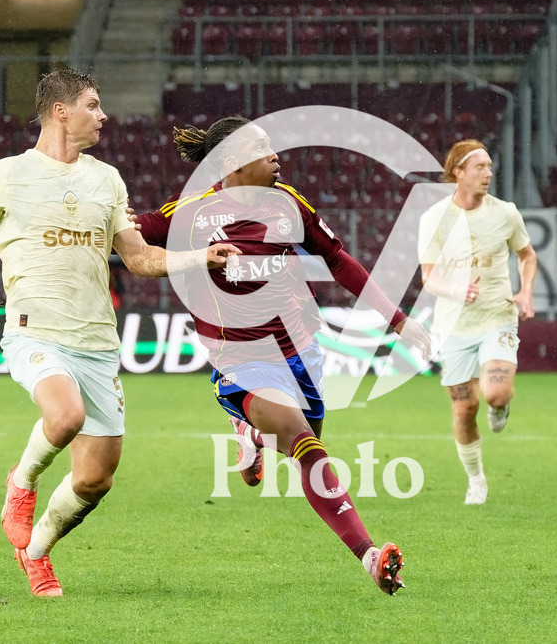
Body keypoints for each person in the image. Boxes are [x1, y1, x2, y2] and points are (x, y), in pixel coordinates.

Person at [0, 68, 237, 598]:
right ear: (60, 111)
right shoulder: (8, 174)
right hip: (34, 330)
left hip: (97, 342)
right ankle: (20, 487)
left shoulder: (106, 179)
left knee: (96, 479)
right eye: (93, 104)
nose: (103, 115)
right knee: (64, 415)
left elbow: (138, 258)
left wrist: (198, 257)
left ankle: (38, 553)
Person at [134, 115, 431, 595]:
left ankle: (251, 432)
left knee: (303, 443)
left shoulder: (290, 204)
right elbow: (128, 232)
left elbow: (338, 260)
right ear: (233, 161)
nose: (277, 155)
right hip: (241, 358)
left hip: (301, 349)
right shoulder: (191, 214)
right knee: (304, 441)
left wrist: (399, 320)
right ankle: (370, 556)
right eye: (263, 148)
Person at [417, 139, 538, 506]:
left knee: (495, 392)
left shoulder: (506, 213)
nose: (488, 173)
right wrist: (454, 289)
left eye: (489, 167)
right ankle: (476, 480)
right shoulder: (434, 218)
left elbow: (527, 255)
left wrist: (526, 291)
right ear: (459, 172)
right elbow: (428, 277)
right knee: (463, 410)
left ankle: (500, 406)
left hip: (497, 317)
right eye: (480, 167)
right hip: (453, 327)